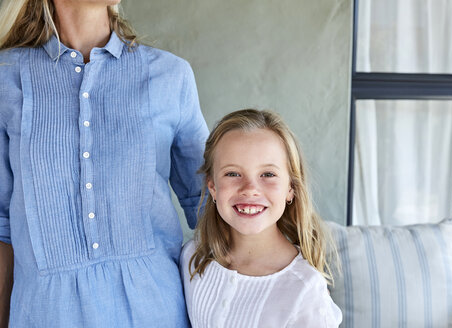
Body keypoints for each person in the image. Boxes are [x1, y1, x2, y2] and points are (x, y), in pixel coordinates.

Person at [0, 0, 208, 326]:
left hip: (157, 312)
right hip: (45, 315)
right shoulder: (6, 79)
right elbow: (2, 230)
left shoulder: (171, 76)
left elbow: (212, 206)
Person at [180, 109, 342, 327]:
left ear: (290, 188)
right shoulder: (193, 257)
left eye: (268, 174)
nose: (250, 189)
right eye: (233, 174)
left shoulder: (305, 290)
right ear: (213, 187)